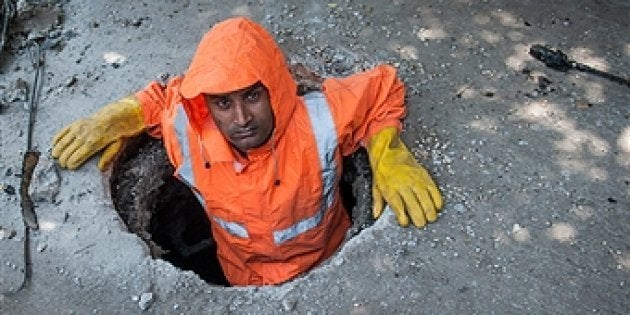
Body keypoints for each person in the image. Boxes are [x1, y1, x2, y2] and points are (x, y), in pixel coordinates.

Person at [51, 17, 443, 286]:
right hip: (241, 276)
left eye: (253, 96)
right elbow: (161, 100)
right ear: (206, 104)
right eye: (223, 103)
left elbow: (383, 87)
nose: (241, 119)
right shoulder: (188, 128)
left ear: (274, 86)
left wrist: (388, 152)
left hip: (325, 264)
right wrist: (121, 114)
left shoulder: (320, 118)